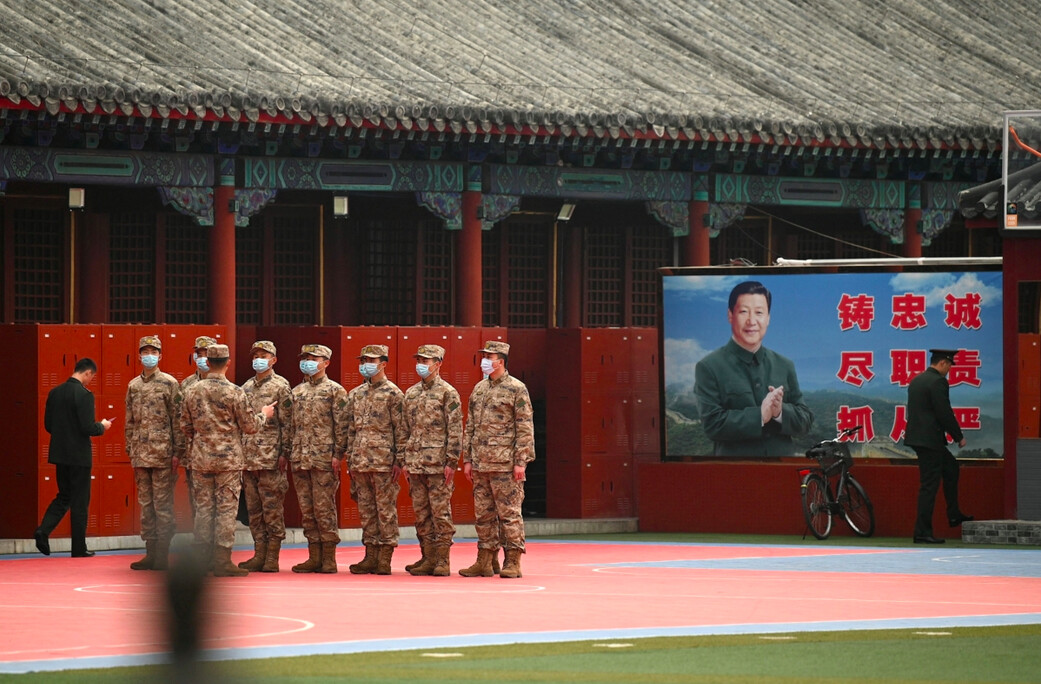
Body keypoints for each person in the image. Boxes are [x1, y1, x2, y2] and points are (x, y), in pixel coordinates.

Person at [179, 344, 274, 576]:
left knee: (203, 509)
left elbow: (185, 426)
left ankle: (202, 561)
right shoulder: (235, 392)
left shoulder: (192, 390)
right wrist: (264, 415)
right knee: (225, 510)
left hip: (201, 459)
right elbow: (250, 426)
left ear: (207, 362)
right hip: (228, 462)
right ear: (228, 363)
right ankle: (222, 561)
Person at [694, 280, 813, 457]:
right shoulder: (709, 366)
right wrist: (760, 415)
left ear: (768, 318)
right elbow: (712, 425)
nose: (752, 321)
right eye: (744, 312)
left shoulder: (784, 364)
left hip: (782, 469)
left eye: (759, 312)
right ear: (730, 315)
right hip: (735, 470)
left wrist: (779, 412)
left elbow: (805, 421)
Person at [459, 340, 535, 579]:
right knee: (483, 515)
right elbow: (470, 425)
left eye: (489, 357)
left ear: (500, 361)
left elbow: (524, 426)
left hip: (505, 464)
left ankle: (512, 560)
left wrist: (521, 461)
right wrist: (468, 459)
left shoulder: (516, 388)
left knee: (509, 514)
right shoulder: (479, 388)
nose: (484, 361)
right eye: (484, 356)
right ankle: (485, 560)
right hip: (481, 463)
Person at [34, 358, 114, 557]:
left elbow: (48, 425)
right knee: (80, 501)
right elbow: (88, 427)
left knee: (64, 496)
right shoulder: (84, 395)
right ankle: (78, 548)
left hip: (59, 454)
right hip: (79, 456)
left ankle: (43, 530)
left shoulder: (54, 392)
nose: (91, 380)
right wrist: (102, 426)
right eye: (92, 377)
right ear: (87, 373)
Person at [344, 344, 407, 575]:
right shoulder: (356, 394)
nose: (365, 365)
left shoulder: (394, 394)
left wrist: (399, 461)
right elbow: (351, 430)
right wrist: (350, 459)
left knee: (385, 510)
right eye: (363, 361)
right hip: (361, 462)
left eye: (371, 361)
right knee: (367, 511)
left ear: (383, 364)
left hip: (384, 463)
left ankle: (385, 558)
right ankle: (370, 555)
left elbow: (401, 430)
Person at [401, 344, 463, 576]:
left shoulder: (448, 393)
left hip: (438, 464)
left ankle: (442, 560)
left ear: (438, 364)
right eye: (419, 360)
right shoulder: (411, 393)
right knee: (421, 513)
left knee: (440, 513)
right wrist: (405, 460)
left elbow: (455, 430)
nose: (421, 365)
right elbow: (405, 429)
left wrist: (451, 462)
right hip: (416, 463)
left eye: (425, 361)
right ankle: (427, 557)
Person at [288, 343, 349, 574]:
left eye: (314, 358)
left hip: (324, 459)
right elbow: (291, 426)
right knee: (307, 510)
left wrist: (338, 454)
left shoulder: (335, 391)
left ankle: (329, 558)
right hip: (300, 457)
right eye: (306, 358)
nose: (308, 362)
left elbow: (342, 426)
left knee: (324, 509)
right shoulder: (297, 391)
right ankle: (314, 556)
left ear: (326, 363)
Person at [124, 335, 183, 570]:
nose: (149, 356)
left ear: (160, 356)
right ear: (139, 356)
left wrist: (177, 452)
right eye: (145, 352)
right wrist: (130, 448)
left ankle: (162, 554)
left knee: (163, 506)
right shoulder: (133, 386)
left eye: (153, 352)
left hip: (163, 455)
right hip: (140, 455)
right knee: (146, 506)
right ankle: (150, 552)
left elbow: (177, 420)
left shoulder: (170, 383)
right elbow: (130, 421)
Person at [905, 348, 973, 544]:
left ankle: (954, 514)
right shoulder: (938, 382)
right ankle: (922, 532)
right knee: (929, 486)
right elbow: (944, 411)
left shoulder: (917, 380)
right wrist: (958, 436)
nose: (949, 370)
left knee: (951, 468)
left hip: (920, 439)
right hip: (930, 440)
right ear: (943, 363)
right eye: (949, 366)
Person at [238, 340, 293, 572]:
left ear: (274, 360)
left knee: (272, 508)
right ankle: (259, 553)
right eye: (255, 356)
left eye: (263, 355)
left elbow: (288, 423)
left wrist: (285, 453)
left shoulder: (281, 386)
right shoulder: (246, 387)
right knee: (254, 510)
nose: (258, 359)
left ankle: (272, 556)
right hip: (249, 459)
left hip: (271, 458)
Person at [179, 335, 217, 522]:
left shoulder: (223, 384)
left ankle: (216, 539)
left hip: (219, 454)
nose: (202, 358)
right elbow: (180, 419)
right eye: (199, 354)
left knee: (219, 503)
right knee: (197, 502)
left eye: (206, 354)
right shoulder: (187, 384)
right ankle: (200, 538)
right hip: (193, 454)